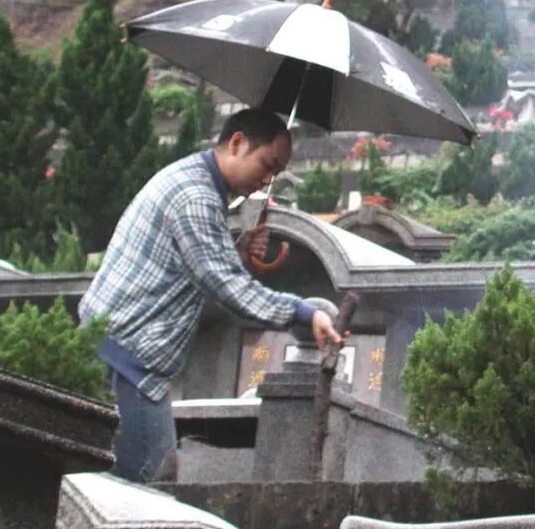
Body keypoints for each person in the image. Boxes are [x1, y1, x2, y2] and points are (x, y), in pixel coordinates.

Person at [79, 107, 343, 483]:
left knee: (127, 479)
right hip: (126, 359)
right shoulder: (196, 197)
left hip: (117, 350)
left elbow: (187, 270)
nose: (267, 181)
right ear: (237, 143)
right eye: (267, 165)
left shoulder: (192, 179)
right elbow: (226, 285)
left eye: (276, 173)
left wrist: (235, 251)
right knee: (147, 479)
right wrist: (304, 312)